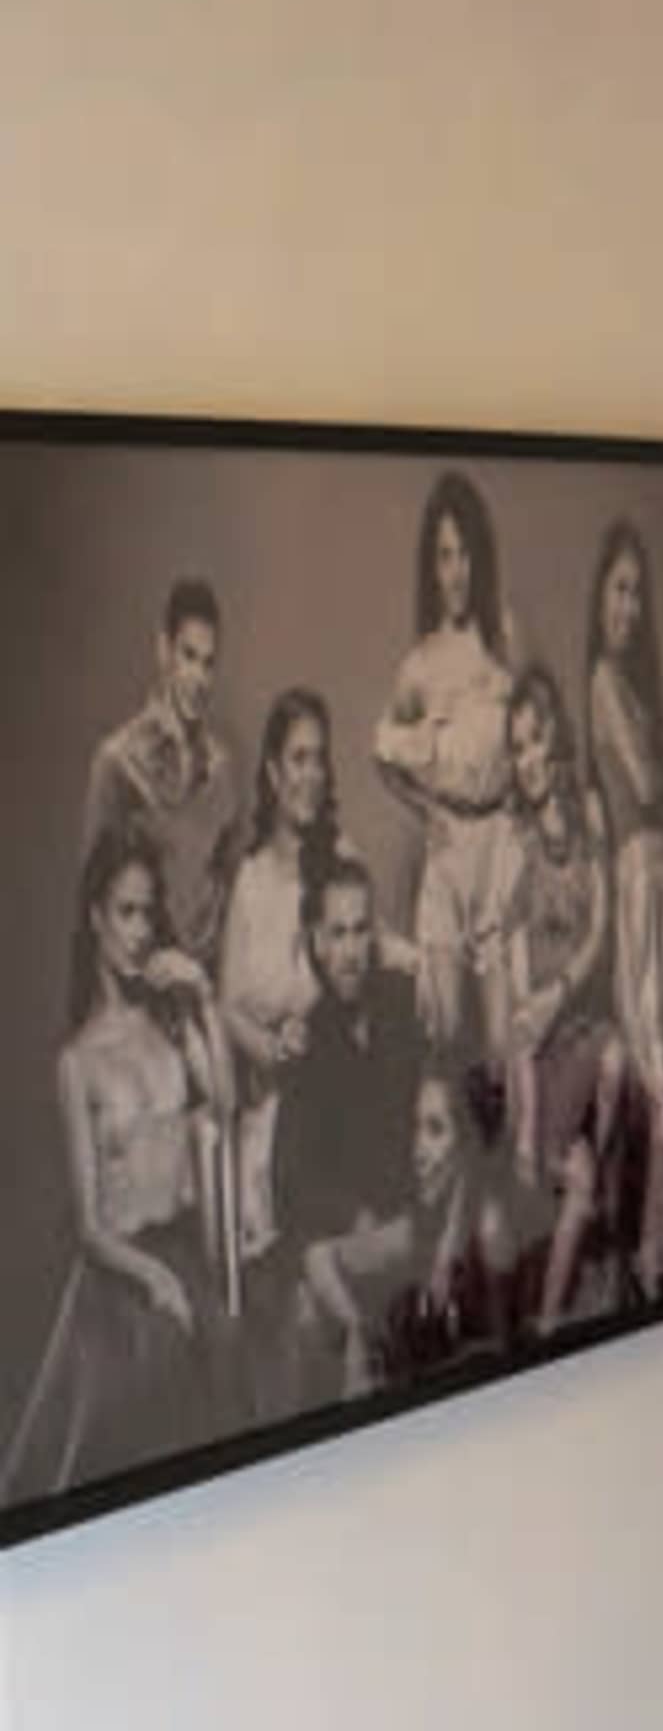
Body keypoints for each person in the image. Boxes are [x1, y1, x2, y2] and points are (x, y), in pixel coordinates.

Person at [0, 830, 229, 1502]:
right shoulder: (77, 1062)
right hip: (124, 1278)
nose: (139, 931)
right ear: (96, 917)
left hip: (186, 1252)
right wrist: (157, 1281)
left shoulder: (170, 1022)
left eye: (148, 913)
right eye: (125, 912)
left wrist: (203, 995)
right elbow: (90, 1227)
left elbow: (224, 1099)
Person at [485, 661, 613, 1337]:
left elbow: (600, 929)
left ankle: (570, 1289)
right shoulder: (515, 841)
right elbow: (516, 1001)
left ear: (556, 736)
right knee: (569, 1173)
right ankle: (548, 1324)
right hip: (534, 1046)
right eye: (516, 747)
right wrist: (526, 1108)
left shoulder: (588, 812)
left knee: (615, 1060)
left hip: (578, 1021)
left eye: (535, 740)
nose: (527, 760)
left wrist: (560, 992)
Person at [276, 854, 427, 1405]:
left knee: (332, 1272)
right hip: (356, 1233)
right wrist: (355, 1217)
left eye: (361, 930)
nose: (350, 951)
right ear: (316, 942)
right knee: (307, 1311)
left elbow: (444, 1111)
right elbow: (291, 1178)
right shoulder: (308, 1039)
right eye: (337, 933)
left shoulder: (405, 1004)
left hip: (416, 1213)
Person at [371, 472, 514, 1054]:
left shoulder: (505, 640)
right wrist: (424, 809)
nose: (457, 572)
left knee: (503, 1045)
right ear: (431, 567)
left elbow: (536, 732)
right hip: (448, 847)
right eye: (445, 556)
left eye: (466, 554)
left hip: (500, 841)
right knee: (445, 1038)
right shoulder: (420, 664)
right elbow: (383, 753)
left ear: (482, 559)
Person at [582, 517, 663, 1299]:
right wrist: (654, 755)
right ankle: (649, 1243)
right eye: (619, 590)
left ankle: (656, 1236)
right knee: (652, 1058)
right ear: (599, 597)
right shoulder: (605, 684)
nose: (629, 608)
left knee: (659, 1048)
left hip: (656, 868)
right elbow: (647, 785)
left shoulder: (629, 686)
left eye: (638, 595)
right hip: (635, 870)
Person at [211, 686, 342, 1270]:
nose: (311, 774)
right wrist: (270, 1049)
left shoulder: (340, 860)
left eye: (320, 759)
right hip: (268, 1109)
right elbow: (226, 1006)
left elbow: (369, 953)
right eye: (298, 758)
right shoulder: (250, 881)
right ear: (271, 771)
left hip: (332, 1099)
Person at [81, 575, 238, 968]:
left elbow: (229, 895)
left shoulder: (221, 770)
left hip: (206, 985)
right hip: (138, 981)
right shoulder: (117, 762)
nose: (199, 678)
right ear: (163, 650)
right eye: (189, 656)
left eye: (209, 663)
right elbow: (93, 908)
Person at [382, 1059, 517, 1386]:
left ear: (468, 1144)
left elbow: (506, 1364)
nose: (417, 1149)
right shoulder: (423, 1222)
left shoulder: (489, 1230)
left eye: (436, 1130)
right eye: (416, 1127)